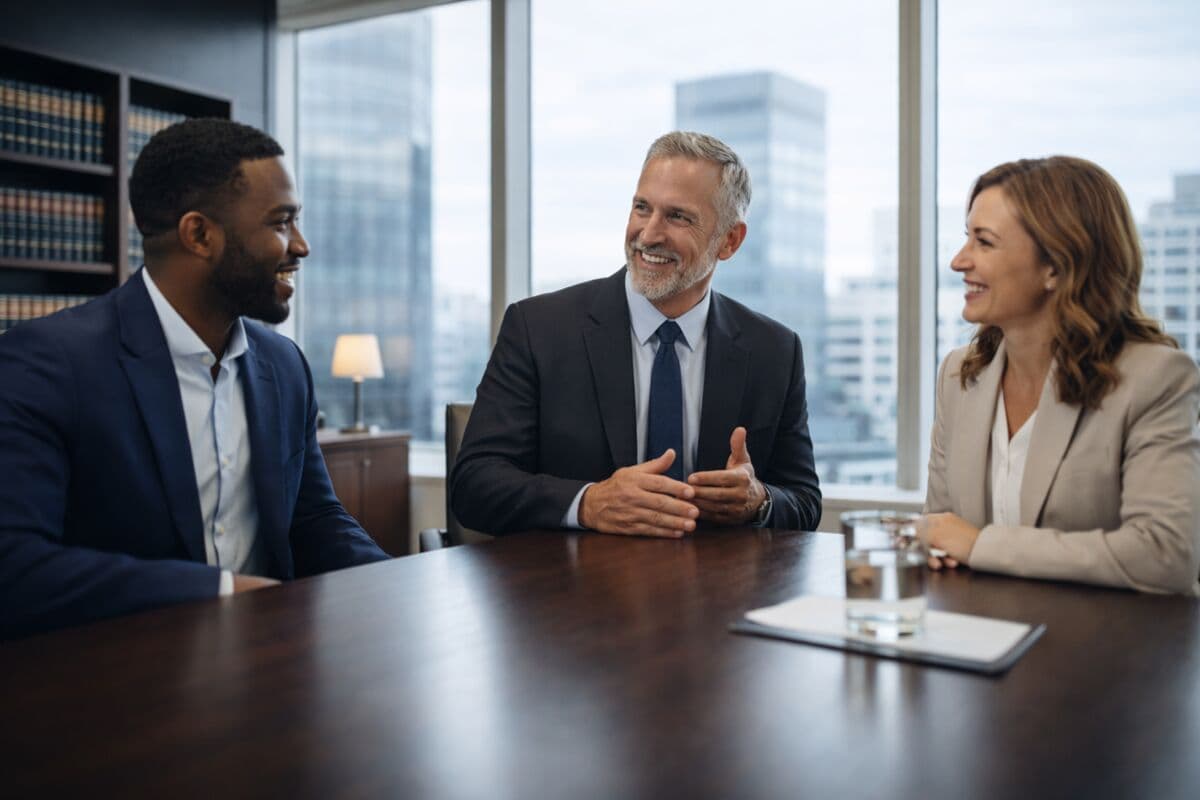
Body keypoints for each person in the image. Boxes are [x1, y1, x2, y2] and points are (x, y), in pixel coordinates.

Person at [0, 118, 390, 638]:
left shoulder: (285, 367)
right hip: (115, 686)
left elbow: (314, 520)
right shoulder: (45, 365)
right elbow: (16, 568)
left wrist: (398, 584)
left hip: (273, 671)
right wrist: (225, 593)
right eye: (281, 222)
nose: (301, 246)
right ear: (200, 235)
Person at [450, 131, 821, 537]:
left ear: (729, 240)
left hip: (718, 592)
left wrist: (759, 500)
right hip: (570, 589)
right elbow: (473, 485)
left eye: (678, 216)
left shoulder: (774, 351)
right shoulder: (538, 328)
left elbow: (804, 500)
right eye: (642, 208)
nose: (648, 234)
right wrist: (588, 502)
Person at [920, 155, 1200, 595]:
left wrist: (982, 545)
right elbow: (937, 534)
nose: (958, 261)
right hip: (979, 640)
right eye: (965, 239)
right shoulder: (959, 375)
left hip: (1106, 649)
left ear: (1056, 266)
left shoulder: (1155, 377)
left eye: (984, 242)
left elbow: (1164, 554)